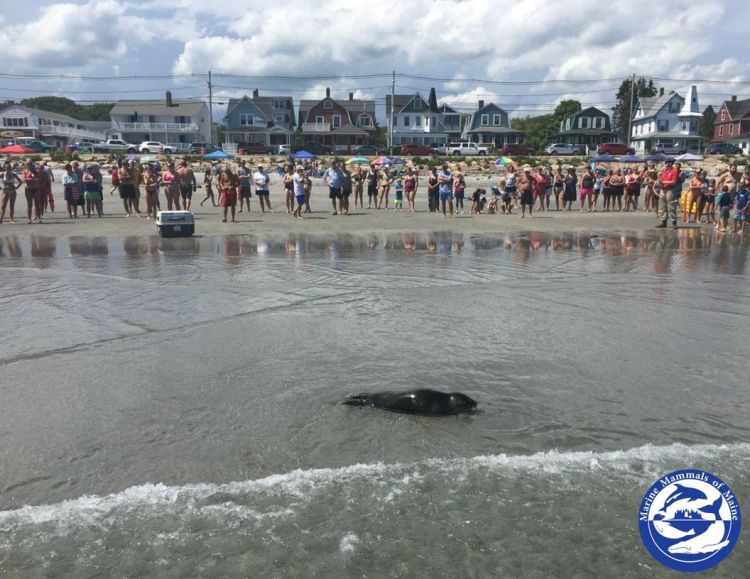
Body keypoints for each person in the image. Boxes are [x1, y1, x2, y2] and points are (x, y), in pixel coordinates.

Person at [656, 159, 679, 228]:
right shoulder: (665, 171)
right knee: (662, 206)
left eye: (667, 163)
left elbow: (673, 182)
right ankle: (663, 222)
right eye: (665, 162)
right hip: (663, 189)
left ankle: (674, 223)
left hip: (670, 190)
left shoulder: (674, 170)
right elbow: (662, 180)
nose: (665, 164)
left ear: (670, 163)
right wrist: (659, 182)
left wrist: (663, 182)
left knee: (671, 206)